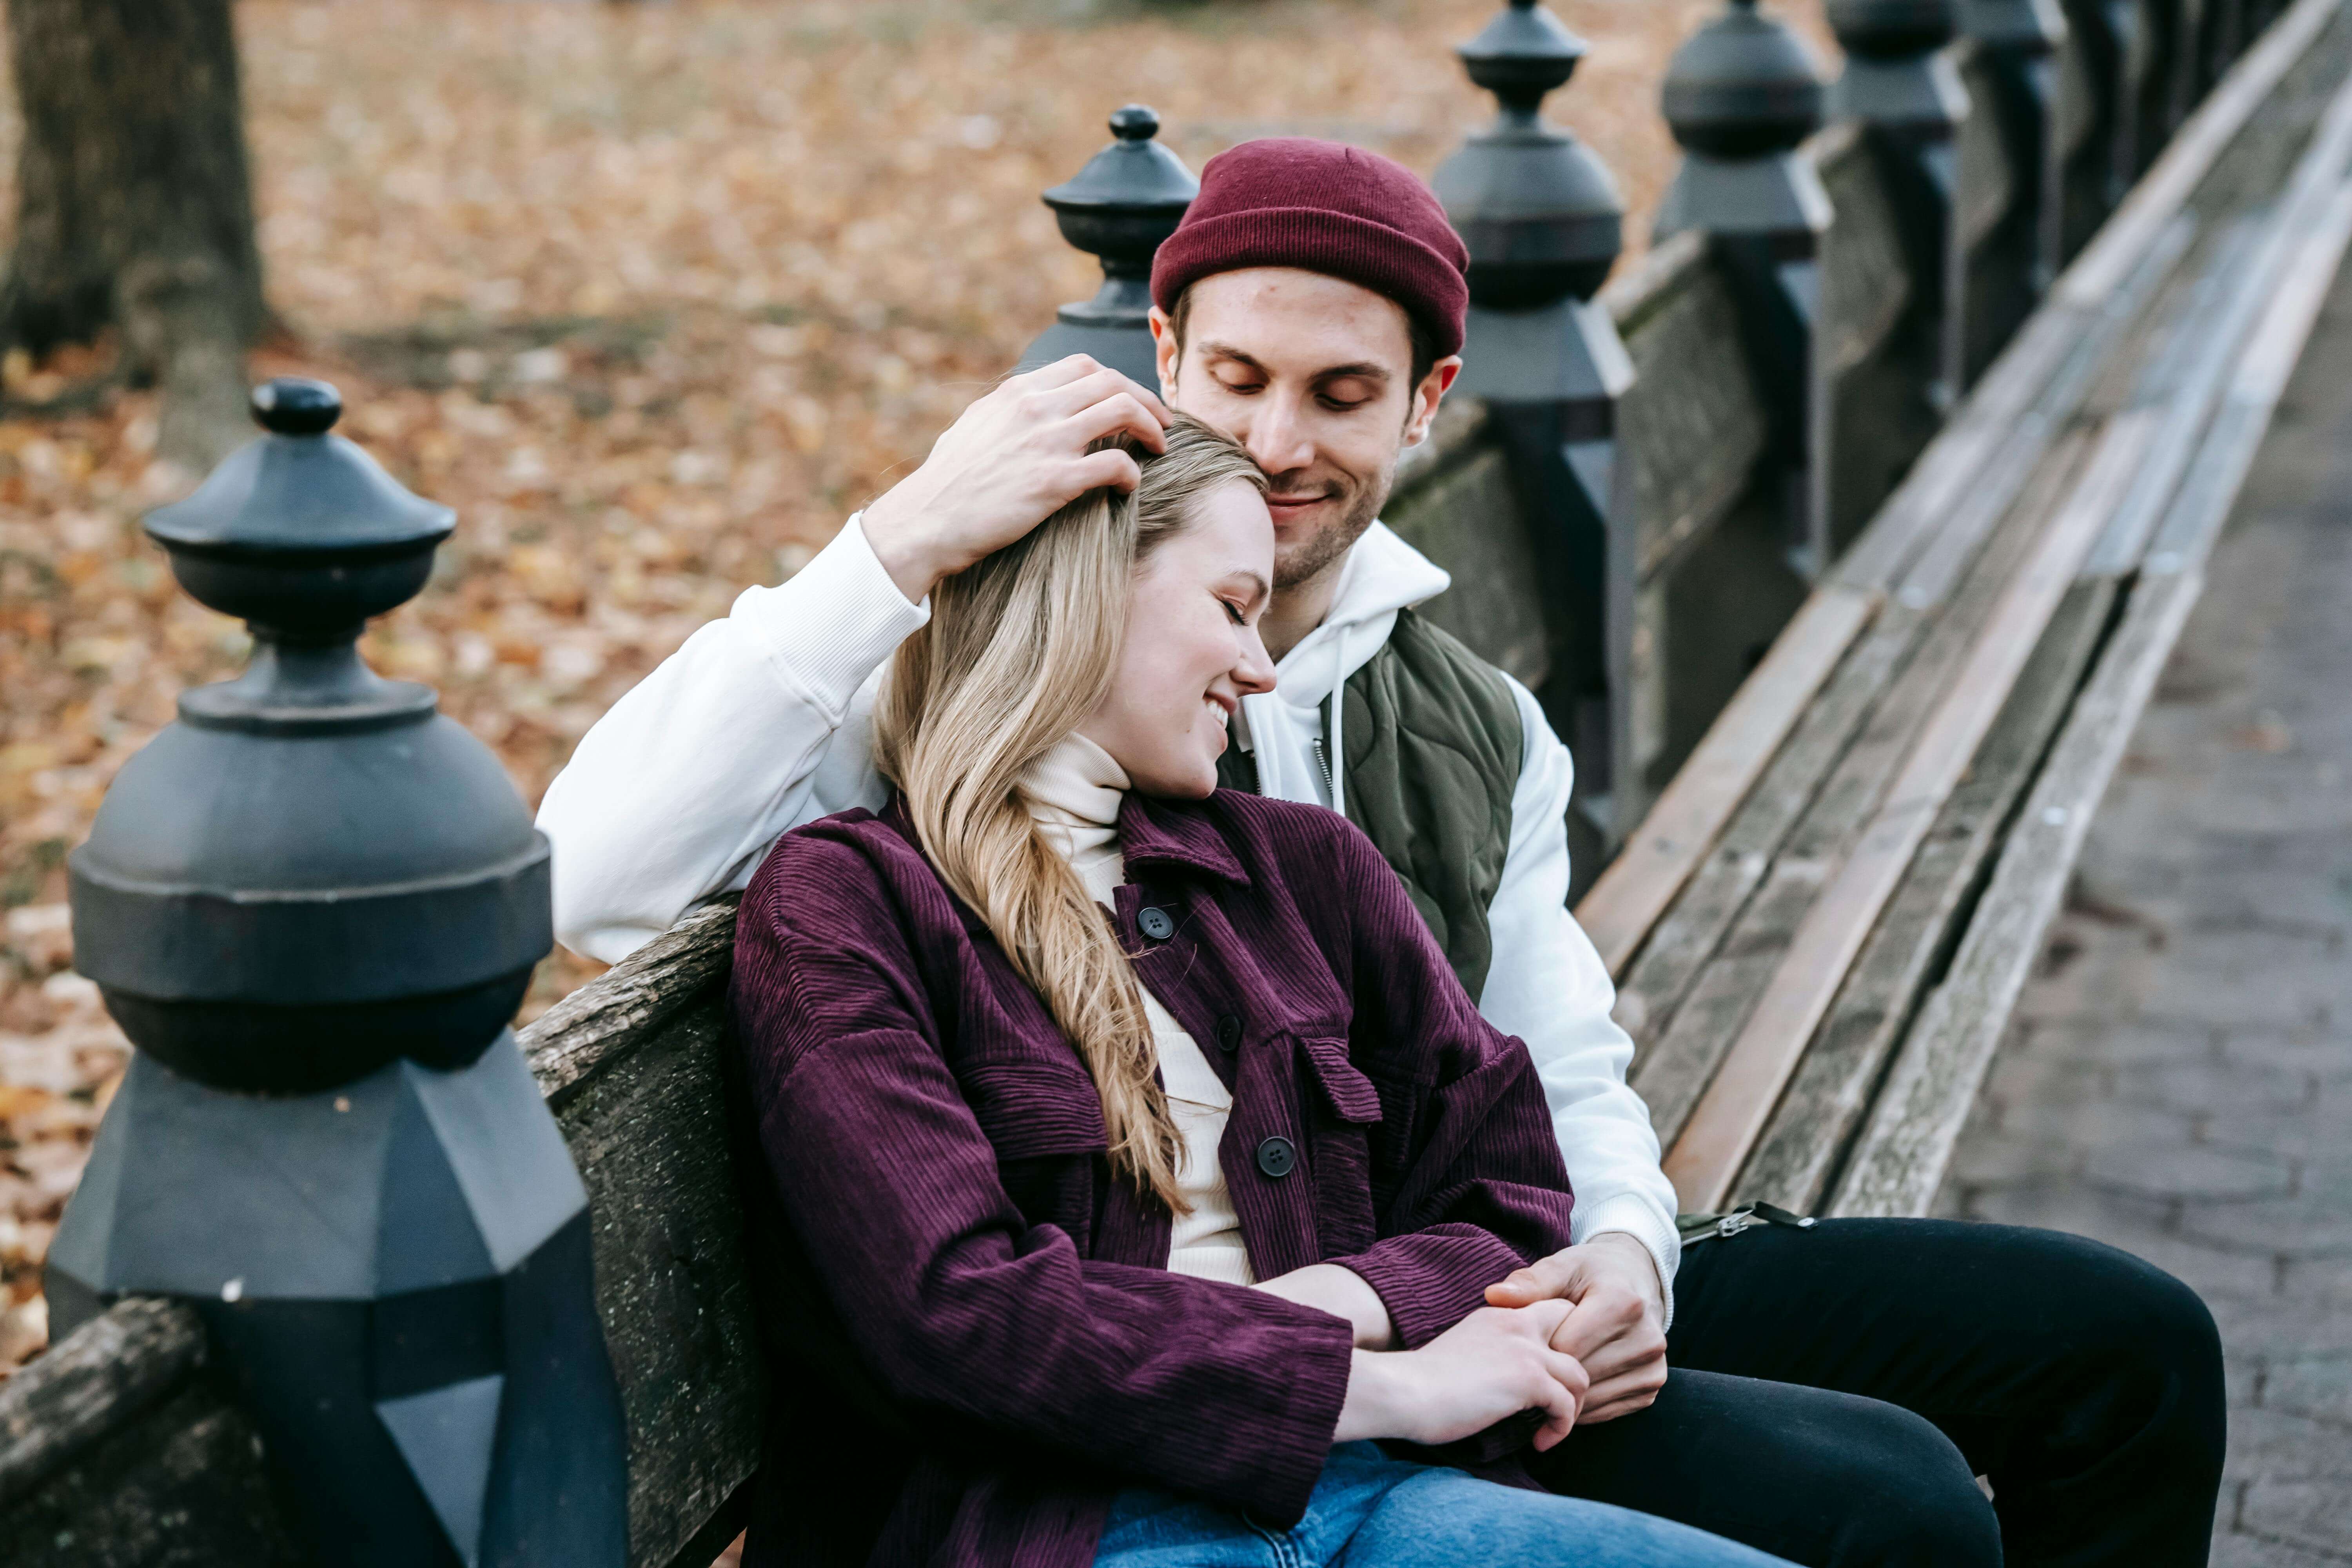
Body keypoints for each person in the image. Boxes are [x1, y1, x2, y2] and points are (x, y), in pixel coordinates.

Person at [541, 139, 2226, 1566]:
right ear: (1164, 357)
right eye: (1238, 382)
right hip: (1206, 1394)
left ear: (1424, 405)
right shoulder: (934, 720)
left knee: (2124, 1348)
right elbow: (592, 872)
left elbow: (1544, 1079)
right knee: (1895, 1507)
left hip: (1483, 1284)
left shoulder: (1456, 722)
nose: (1281, 444)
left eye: (1342, 395)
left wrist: (1623, 1262)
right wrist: (897, 542)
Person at [727, 415, 1791, 1568]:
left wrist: (1340, 1309)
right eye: (1233, 607)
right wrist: (1382, 1389)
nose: (1262, 665)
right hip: (1077, 1529)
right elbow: (960, 1313)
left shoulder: (1304, 871)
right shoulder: (851, 904)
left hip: (1378, 1499)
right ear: (1091, 593)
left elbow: (1507, 1185)